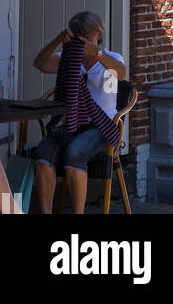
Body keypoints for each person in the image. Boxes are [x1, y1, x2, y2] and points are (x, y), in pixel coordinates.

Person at [32, 11, 126, 214]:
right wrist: (57, 41)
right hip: (72, 123)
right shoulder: (68, 59)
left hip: (101, 126)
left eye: (86, 37)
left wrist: (96, 53)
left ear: (98, 35)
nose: (81, 41)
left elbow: (120, 73)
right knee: (44, 152)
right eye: (77, 37)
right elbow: (39, 64)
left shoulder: (109, 59)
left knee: (74, 153)